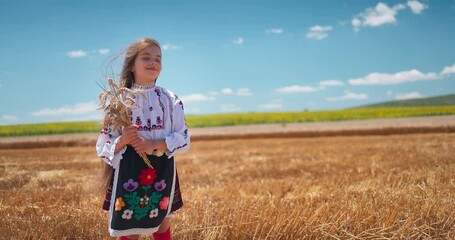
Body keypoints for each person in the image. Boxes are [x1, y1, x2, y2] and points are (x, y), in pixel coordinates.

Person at [96, 38, 190, 240]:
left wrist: (153, 144)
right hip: (129, 169)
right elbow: (104, 145)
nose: (153, 62)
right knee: (131, 226)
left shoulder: (170, 99)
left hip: (163, 167)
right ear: (131, 65)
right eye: (146, 57)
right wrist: (124, 139)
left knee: (163, 220)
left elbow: (183, 138)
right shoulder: (118, 101)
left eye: (158, 58)